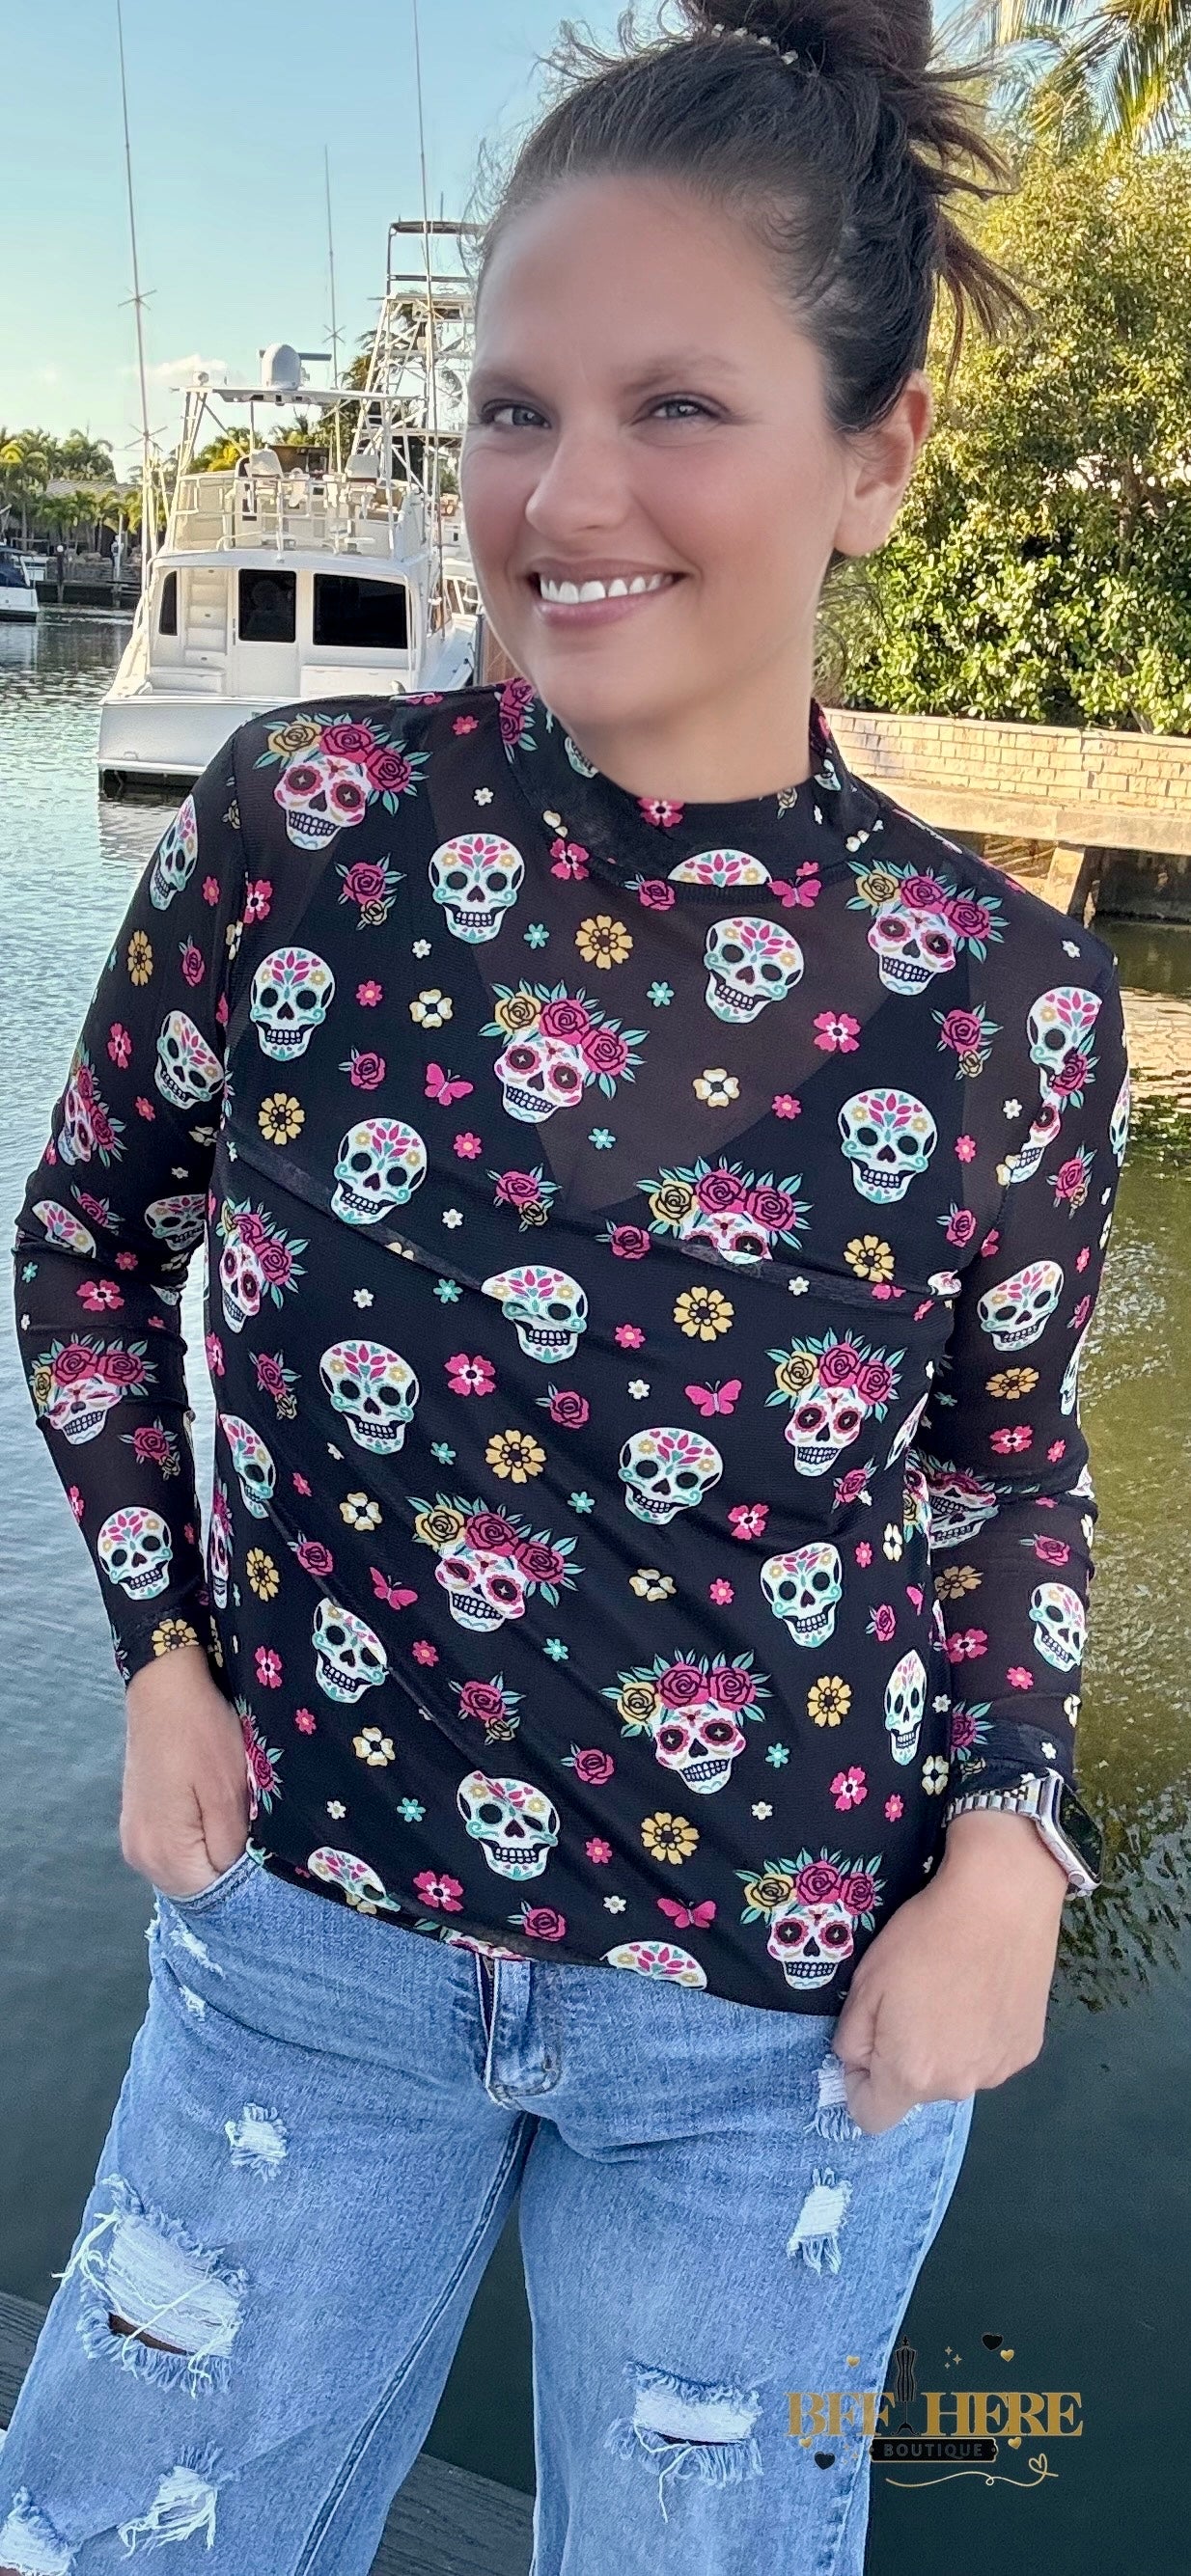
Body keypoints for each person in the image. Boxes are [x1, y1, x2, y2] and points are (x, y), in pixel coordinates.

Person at [4, 4, 1130, 2569]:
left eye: (676, 407)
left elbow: (997, 1471)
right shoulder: (298, 828)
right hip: (309, 1936)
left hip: (780, 2020)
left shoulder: (998, 1003)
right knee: (119, 2537)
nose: (567, 493)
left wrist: (1003, 1852)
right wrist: (161, 1654)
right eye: (514, 409)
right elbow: (89, 1244)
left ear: (876, 457)